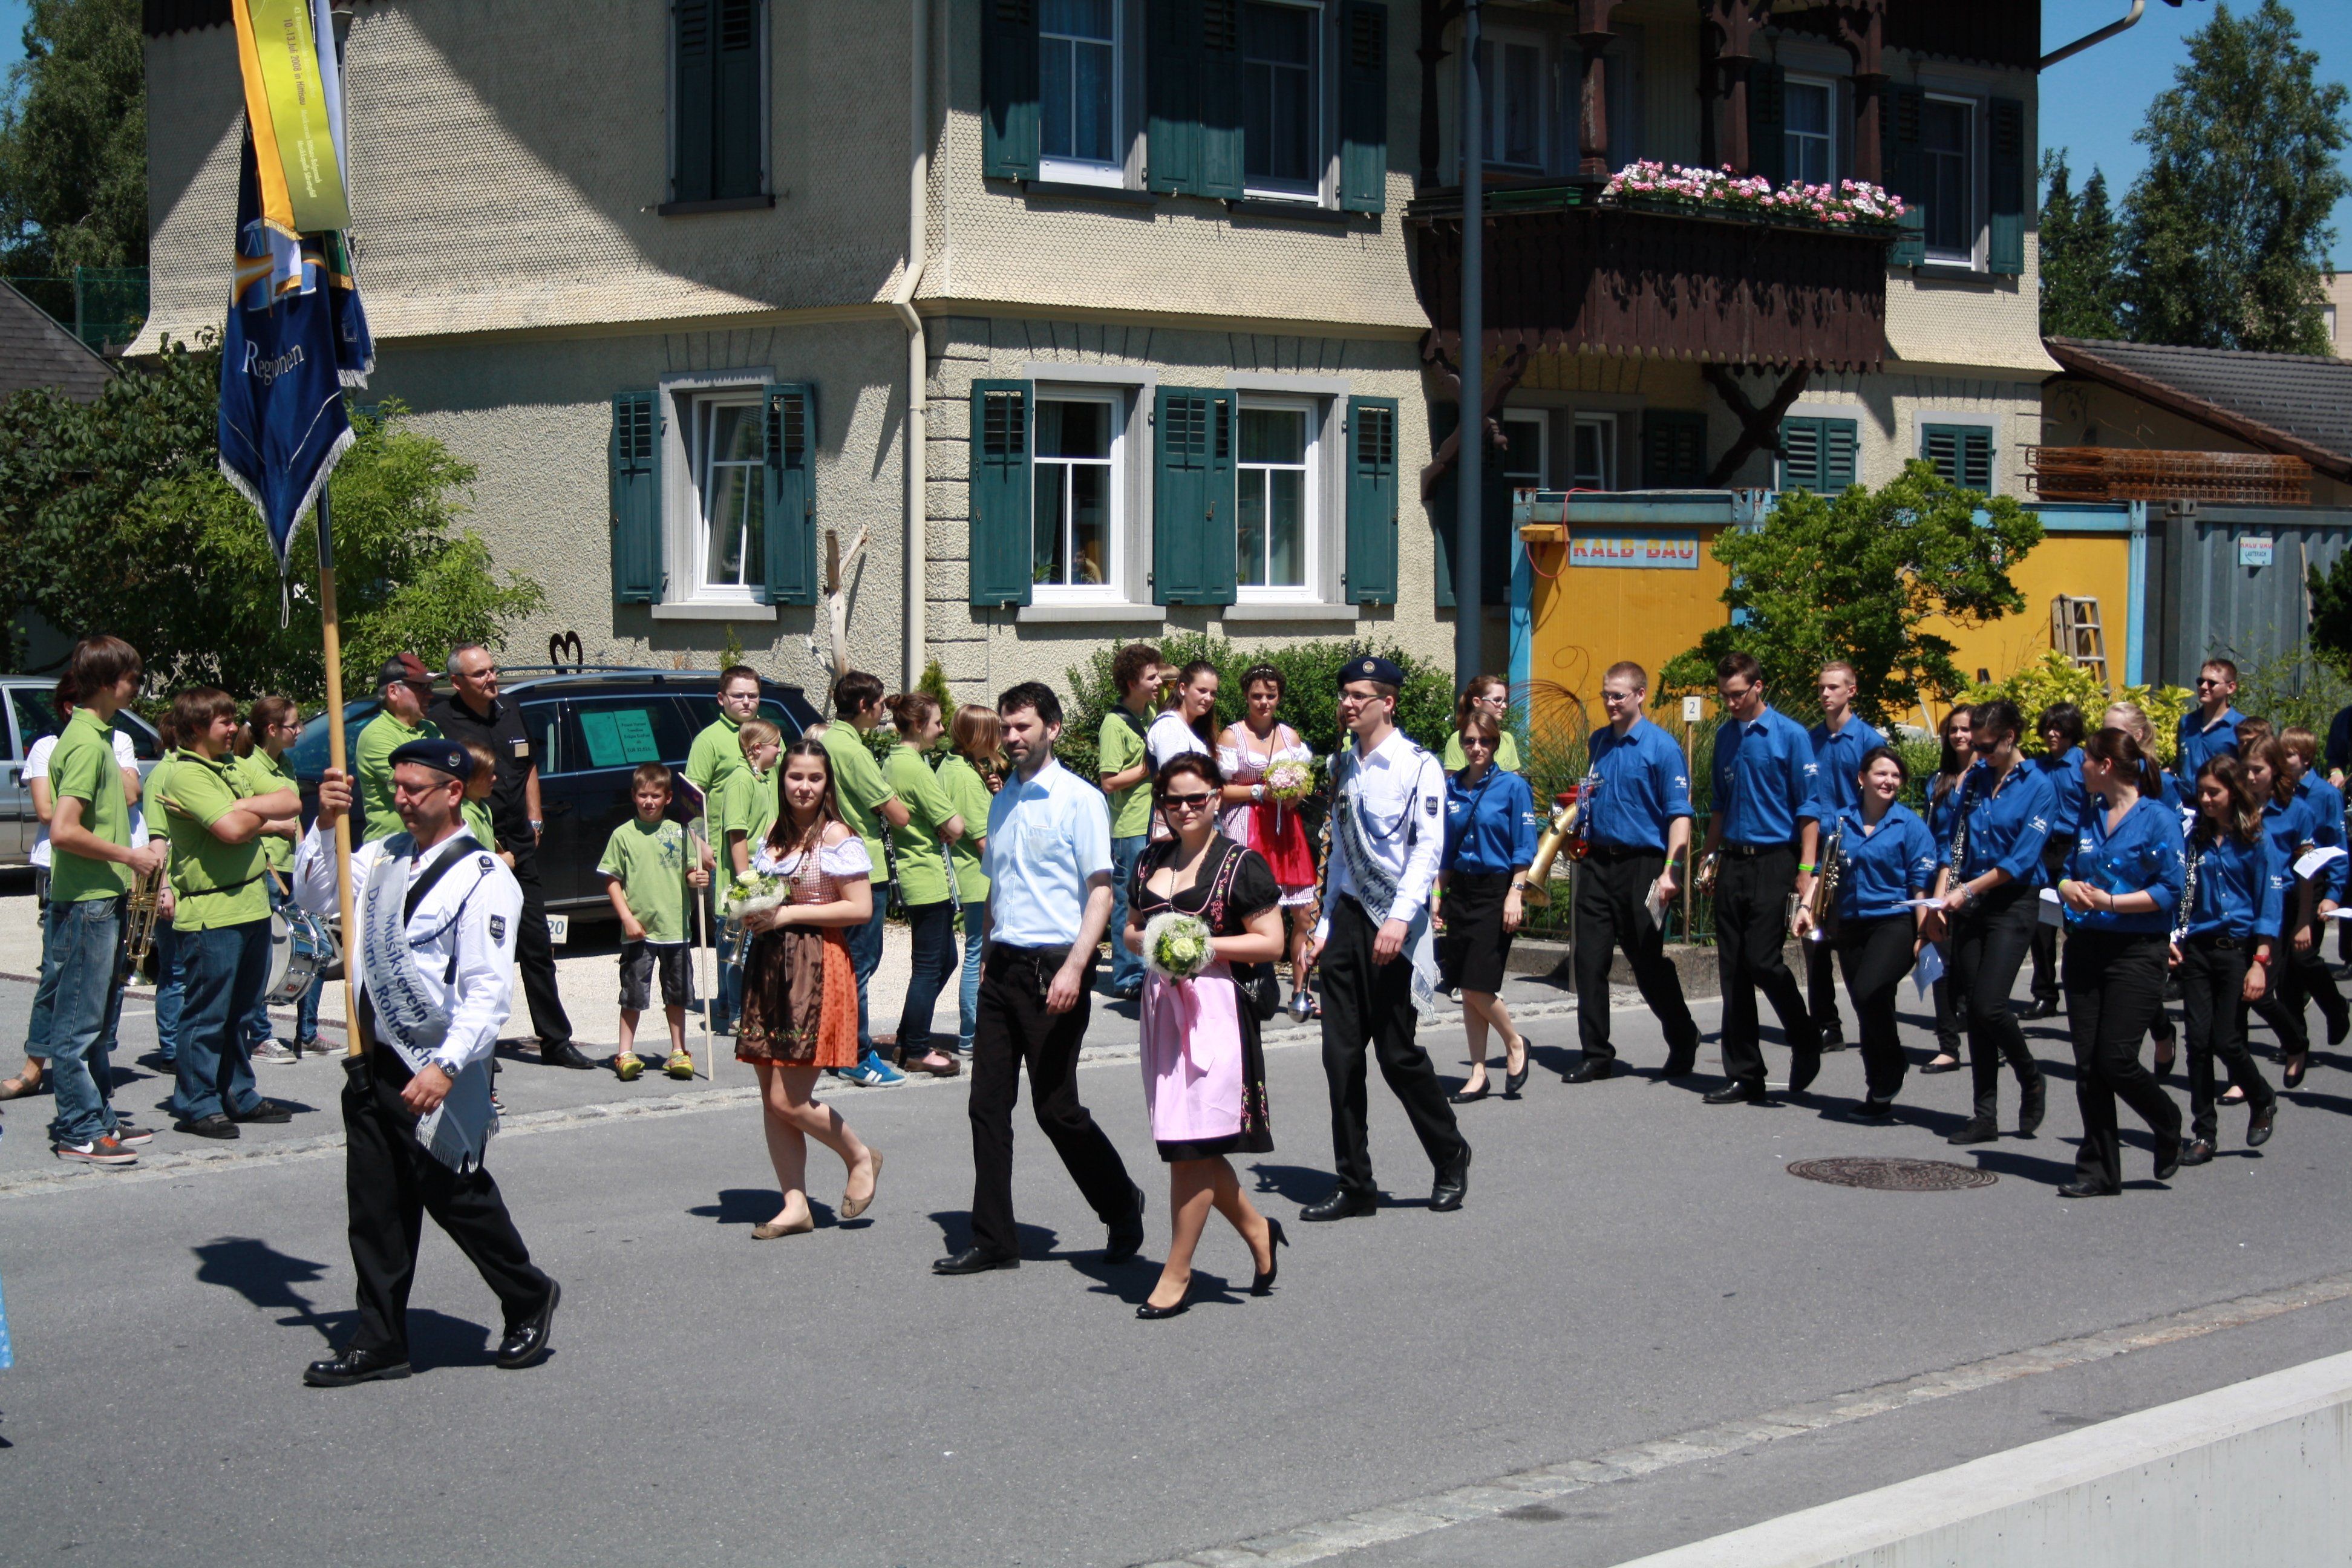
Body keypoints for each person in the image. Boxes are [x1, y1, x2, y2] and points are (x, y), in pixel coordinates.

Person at [295, 741, 561, 1386]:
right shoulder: (382, 856)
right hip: (372, 1060)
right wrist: (324, 823)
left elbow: (487, 991)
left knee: (457, 1198)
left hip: (437, 1066)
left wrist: (444, 1067)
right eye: (397, 786)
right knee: (375, 1209)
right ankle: (381, 1340)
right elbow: (315, 896)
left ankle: (528, 1294)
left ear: (454, 792)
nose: (401, 799)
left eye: (414, 788)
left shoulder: (484, 878)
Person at [936, 681, 1145, 1275]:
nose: (1012, 737)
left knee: (1056, 1110)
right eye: (1006, 727)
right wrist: (986, 958)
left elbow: (1101, 892)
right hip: (1004, 968)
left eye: (1023, 726)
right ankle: (995, 1239)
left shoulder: (1080, 800)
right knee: (986, 1106)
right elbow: (997, 887)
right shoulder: (1002, 799)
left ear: (1052, 729)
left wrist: (1077, 967)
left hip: (1056, 967)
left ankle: (1121, 1203)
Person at [1299, 655, 1469, 1220]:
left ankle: (1450, 1153)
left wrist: (1398, 918)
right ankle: (1356, 1183)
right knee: (1341, 1059)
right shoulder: (1341, 764)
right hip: (1349, 919)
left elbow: (1427, 848)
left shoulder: (1418, 766)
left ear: (1387, 703)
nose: (1347, 704)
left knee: (1397, 1055)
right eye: (1344, 695)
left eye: (1359, 696)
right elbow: (1338, 853)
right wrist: (1324, 924)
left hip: (1394, 918)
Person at [1124, 753, 1287, 1318]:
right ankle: (1259, 1230)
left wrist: (1200, 945)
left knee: (1190, 1146)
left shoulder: (1241, 864)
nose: (1186, 809)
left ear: (1217, 797)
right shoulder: (1150, 858)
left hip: (1216, 1011)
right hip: (1163, 1011)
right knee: (1185, 1139)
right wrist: (1149, 942)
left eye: (1197, 798)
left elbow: (1272, 943)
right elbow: (1132, 929)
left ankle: (1177, 1271)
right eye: (1174, 800)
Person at [731, 738, 886, 1237]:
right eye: (795, 776)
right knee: (770, 1098)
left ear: (827, 784)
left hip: (816, 966)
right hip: (770, 965)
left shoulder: (837, 836)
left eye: (814, 778)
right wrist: (747, 907)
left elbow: (860, 907)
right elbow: (764, 894)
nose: (804, 787)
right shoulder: (774, 834)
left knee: (789, 1100)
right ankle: (795, 1204)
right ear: (782, 780)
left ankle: (858, 1155)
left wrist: (788, 914)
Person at [26, 638, 166, 1165]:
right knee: (79, 1024)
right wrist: (129, 856)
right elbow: (63, 830)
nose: (138, 688)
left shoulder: (98, 737)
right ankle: (78, 1129)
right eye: (133, 679)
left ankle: (99, 1116)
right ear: (108, 684)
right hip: (86, 900)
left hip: (99, 896)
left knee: (98, 1020)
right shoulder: (86, 744)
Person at [429, 644, 583, 1067]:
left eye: (493, 670)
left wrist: (535, 816)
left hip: (519, 842)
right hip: (473, 845)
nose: (491, 679)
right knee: (473, 950)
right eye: (480, 674)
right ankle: (473, 1044)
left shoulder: (510, 710)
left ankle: (555, 1041)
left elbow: (528, 764)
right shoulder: (441, 722)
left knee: (537, 944)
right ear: (457, 682)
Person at [160, 687, 302, 1140]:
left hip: (251, 904)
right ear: (197, 727)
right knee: (208, 1016)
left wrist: (241, 806)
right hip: (212, 911)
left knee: (242, 1012)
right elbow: (230, 830)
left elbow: (291, 801)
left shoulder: (231, 766)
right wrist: (246, 813)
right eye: (224, 721)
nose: (234, 729)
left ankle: (238, 1093)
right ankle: (197, 1103)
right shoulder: (185, 774)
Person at [2051, 728, 2185, 1197]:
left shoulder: (2158, 818)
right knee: (2089, 1066)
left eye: (2086, 760)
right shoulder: (2090, 814)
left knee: (2116, 1058)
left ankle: (2166, 1119)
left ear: (2106, 765)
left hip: (2137, 950)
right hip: (2086, 948)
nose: (2080, 768)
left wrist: (2110, 902)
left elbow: (2171, 890)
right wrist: (2068, 889)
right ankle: (2099, 1171)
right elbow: (2067, 872)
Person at [6, 675, 146, 1102]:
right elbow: (50, 814)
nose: (135, 690)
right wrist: (99, 764)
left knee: (104, 985)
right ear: (70, 706)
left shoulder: (113, 741)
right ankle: (39, 1071)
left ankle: (96, 1091)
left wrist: (105, 762)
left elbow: (132, 793)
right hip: (69, 873)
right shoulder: (61, 746)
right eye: (129, 681)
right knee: (58, 976)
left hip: (111, 874)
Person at [1695, 652, 1822, 1105]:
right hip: (1734, 858)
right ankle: (1745, 1073)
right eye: (1724, 696)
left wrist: (1806, 871)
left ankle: (1804, 1035)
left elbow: (1809, 808)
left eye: (1737, 694)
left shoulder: (1790, 735)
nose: (1730, 703)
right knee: (1733, 969)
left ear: (1757, 687)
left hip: (1776, 858)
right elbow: (1719, 804)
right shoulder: (1725, 736)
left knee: (1763, 960)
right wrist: (1709, 856)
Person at [1928, 700, 2055, 1146]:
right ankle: (1985, 1115)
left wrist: (1967, 891)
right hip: (1970, 899)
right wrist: (1943, 898)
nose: (1978, 754)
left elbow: (2021, 859)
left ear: (2010, 737)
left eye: (1986, 747)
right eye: (1975, 746)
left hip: (2012, 901)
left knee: (1990, 1005)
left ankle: (2030, 1075)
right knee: (1974, 1012)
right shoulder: (1976, 779)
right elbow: (1955, 842)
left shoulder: (2039, 785)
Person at [1567, 662, 1702, 1082]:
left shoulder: (1662, 748)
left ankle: (1683, 1035)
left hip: (1643, 864)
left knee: (1646, 962)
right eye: (1606, 695)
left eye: (1618, 695)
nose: (1610, 702)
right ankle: (1596, 1054)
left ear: (1640, 695)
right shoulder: (1598, 742)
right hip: (1597, 863)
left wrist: (1671, 871)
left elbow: (1679, 814)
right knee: (1589, 961)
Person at [1794, 746, 1938, 1119]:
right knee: (1867, 1004)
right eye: (1881, 774)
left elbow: (1920, 885)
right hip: (1851, 924)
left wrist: (1923, 935)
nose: (1889, 781)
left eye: (1895, 776)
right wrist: (1806, 908)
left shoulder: (1910, 825)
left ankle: (1894, 1061)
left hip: (1894, 922)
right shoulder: (1840, 822)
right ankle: (1880, 1090)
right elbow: (1823, 871)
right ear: (1862, 779)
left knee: (1870, 990)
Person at [2172, 755, 2282, 1165]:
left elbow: (2269, 904)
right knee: (2198, 1044)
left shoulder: (2256, 840)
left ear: (2233, 793)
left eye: (2213, 793)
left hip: (2237, 950)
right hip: (2199, 949)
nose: (2205, 800)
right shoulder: (2195, 840)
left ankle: (2262, 1096)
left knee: (2226, 1040)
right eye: (2201, 792)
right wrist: (2174, 936)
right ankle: (2204, 1132)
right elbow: (2182, 893)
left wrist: (2260, 962)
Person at [813, 671, 913, 1086]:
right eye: (880, 703)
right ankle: (855, 1053)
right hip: (860, 861)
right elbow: (897, 813)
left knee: (840, 961)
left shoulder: (825, 741)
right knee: (860, 965)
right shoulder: (854, 751)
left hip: (828, 858)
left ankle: (834, 1047)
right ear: (863, 706)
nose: (883, 710)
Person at [1437, 710, 1538, 1102]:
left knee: (1478, 986)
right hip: (1461, 890)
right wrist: (1437, 897)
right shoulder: (1452, 788)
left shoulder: (1513, 787)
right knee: (1466, 986)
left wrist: (1516, 892)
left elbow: (1524, 846)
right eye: (1469, 741)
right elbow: (1446, 850)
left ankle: (1514, 1042)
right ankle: (1478, 1072)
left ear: (1496, 744)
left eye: (1485, 741)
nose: (1477, 748)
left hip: (1497, 890)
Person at [1215, 664, 1319, 1008]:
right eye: (1257, 695)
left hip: (1285, 829)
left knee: (1305, 911)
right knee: (1251, 912)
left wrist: (1293, 794)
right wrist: (1261, 791)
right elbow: (1219, 791)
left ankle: (1301, 992)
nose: (1264, 702)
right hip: (1246, 823)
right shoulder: (1231, 737)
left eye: (1270, 696)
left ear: (1279, 698)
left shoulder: (1290, 737)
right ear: (1246, 697)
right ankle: (1250, 986)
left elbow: (1303, 786)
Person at [599, 762, 707, 1082]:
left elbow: (689, 872)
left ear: (668, 798)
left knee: (678, 995)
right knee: (633, 994)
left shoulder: (680, 832)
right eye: (643, 795)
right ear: (634, 796)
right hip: (640, 931)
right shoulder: (623, 835)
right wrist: (627, 918)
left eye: (656, 796)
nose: (649, 802)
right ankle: (625, 1052)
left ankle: (678, 1051)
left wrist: (697, 878)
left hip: (676, 929)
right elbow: (612, 879)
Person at [1802, 662, 1887, 1053]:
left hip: (1854, 852)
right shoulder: (1810, 740)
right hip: (1817, 849)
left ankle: (1873, 1019)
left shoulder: (1868, 740)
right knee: (1815, 940)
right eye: (1821, 687)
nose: (1825, 694)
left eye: (1833, 687)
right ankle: (1826, 1025)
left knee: (1855, 942)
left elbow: (1882, 798)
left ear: (1851, 691)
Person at [881, 691, 965, 1078]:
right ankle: (915, 1048)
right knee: (930, 966)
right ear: (918, 725)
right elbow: (956, 825)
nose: (942, 729)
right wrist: (947, 826)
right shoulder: (915, 768)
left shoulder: (893, 761)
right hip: (926, 875)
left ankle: (908, 1035)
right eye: (937, 722)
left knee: (944, 960)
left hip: (916, 873)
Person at [2239, 736, 2328, 1088]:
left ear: (2275, 770)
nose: (2250, 777)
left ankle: (2295, 1042)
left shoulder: (2297, 811)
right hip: (2243, 906)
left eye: (2257, 770)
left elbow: (2307, 872)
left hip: (2282, 905)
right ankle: (2240, 1075)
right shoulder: (2240, 807)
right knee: (2235, 993)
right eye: (2245, 770)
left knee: (2263, 990)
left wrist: (2304, 920)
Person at [679, 664, 762, 1033]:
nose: (746, 702)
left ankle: (745, 1004)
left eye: (752, 696)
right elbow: (690, 798)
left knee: (754, 933)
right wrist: (700, 845)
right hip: (723, 856)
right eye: (738, 695)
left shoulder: (765, 735)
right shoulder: (709, 740)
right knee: (731, 933)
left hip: (761, 855)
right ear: (721, 699)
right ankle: (731, 1009)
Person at [234, 695, 315, 1062]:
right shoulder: (246, 766)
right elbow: (235, 816)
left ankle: (307, 1033)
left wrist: (304, 854)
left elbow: (295, 817)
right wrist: (273, 826)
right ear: (271, 729)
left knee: (311, 947)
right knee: (266, 955)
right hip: (265, 868)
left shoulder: (286, 764)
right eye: (293, 725)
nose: (300, 731)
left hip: (290, 865)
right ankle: (261, 1034)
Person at [2275, 727, 2349, 1051]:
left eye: (2289, 755)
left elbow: (2338, 847)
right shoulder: (2278, 792)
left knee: (2304, 958)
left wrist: (2333, 895)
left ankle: (2335, 1006)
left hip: (2314, 884)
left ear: (2306, 759)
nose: (2282, 761)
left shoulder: (2325, 795)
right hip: (2283, 885)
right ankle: (2296, 1041)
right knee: (2285, 973)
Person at [1097, 643, 1162, 1001]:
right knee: (1127, 899)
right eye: (1151, 677)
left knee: (1149, 898)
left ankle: (1146, 966)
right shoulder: (1113, 724)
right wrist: (1147, 768)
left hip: (1154, 820)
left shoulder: (1151, 711)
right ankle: (1126, 976)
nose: (1158, 682)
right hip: (1129, 826)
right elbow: (1109, 782)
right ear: (1132, 682)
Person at [938, 705, 1001, 1057]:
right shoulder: (965, 777)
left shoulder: (954, 766)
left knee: (976, 952)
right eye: (995, 732)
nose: (1001, 739)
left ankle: (973, 1032)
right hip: (978, 879)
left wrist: (993, 791)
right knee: (978, 955)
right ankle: (972, 1033)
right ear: (979, 737)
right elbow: (983, 842)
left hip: (967, 876)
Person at [2023, 703, 2089, 1022]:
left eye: (2059, 729)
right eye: (2048, 727)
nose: (2052, 734)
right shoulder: (2038, 767)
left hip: (2073, 849)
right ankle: (2045, 994)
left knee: (2076, 923)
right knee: (2042, 926)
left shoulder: (2084, 763)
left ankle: (2084, 990)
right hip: (2043, 850)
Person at [1920, 706, 1975, 1074]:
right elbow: (1932, 833)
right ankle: (1948, 1047)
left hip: (1974, 879)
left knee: (1972, 969)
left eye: (1966, 729)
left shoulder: (1987, 778)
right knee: (1939, 963)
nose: (1959, 736)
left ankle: (1991, 1039)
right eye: (1953, 730)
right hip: (1942, 874)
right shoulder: (1939, 780)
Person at [355, 653, 443, 844]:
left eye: (430, 687)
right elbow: (417, 786)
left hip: (430, 843)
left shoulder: (431, 729)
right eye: (420, 687)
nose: (430, 694)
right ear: (393, 691)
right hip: (392, 847)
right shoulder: (376, 735)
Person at [1146, 661, 1220, 843]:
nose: (1208, 698)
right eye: (1202, 691)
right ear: (1182, 689)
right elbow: (1174, 783)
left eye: (1213, 693)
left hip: (1199, 825)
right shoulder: (1169, 726)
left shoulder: (1195, 728)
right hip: (1181, 827)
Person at [2176, 658, 2246, 791]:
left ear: (2231, 688)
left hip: (2220, 801)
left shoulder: (2241, 727)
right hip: (2184, 801)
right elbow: (2179, 764)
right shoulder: (2186, 722)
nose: (2203, 687)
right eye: (2201, 681)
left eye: (2212, 683)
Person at [1440, 675, 1522, 773]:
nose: (1504, 706)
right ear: (1477, 702)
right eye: (1497, 700)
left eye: (1504, 700)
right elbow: (1453, 780)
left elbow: (1514, 776)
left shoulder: (1507, 738)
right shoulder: (1458, 739)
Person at [458, 740, 507, 864]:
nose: (494, 778)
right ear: (468, 779)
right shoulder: (463, 817)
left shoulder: (484, 808)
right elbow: (470, 863)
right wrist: (502, 862)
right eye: (487, 775)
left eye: (493, 773)